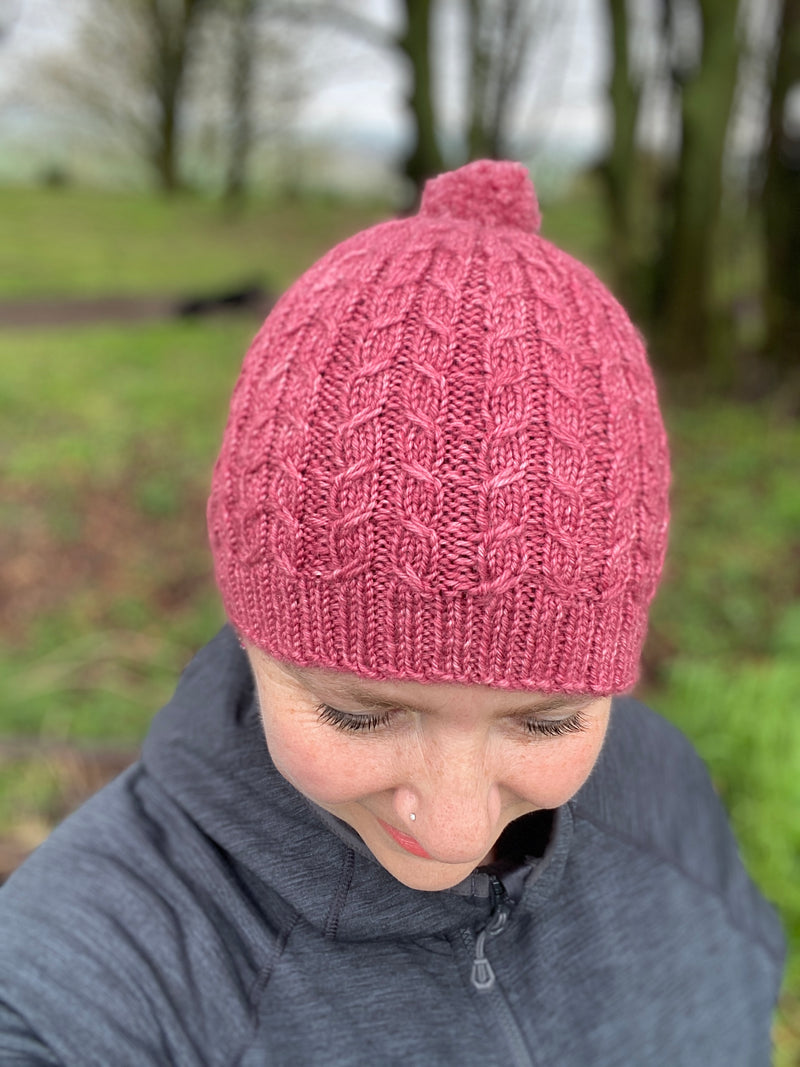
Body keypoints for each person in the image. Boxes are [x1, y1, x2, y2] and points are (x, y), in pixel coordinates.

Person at [0, 161, 785, 1066]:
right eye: (360, 712)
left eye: (546, 721)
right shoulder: (91, 980)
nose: (451, 827)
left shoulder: (664, 794)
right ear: (253, 622)